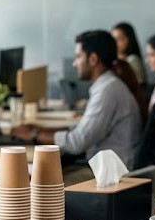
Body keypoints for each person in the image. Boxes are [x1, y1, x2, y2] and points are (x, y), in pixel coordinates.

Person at [11, 30, 141, 168]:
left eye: (78, 57)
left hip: (111, 175)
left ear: (93, 59)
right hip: (107, 168)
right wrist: (43, 130)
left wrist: (34, 134)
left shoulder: (108, 91)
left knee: (41, 179)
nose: (74, 63)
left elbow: (77, 142)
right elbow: (83, 130)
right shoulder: (107, 85)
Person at [111, 22, 147, 87]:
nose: (115, 43)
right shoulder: (113, 59)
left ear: (129, 39)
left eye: (119, 39)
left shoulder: (132, 59)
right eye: (113, 39)